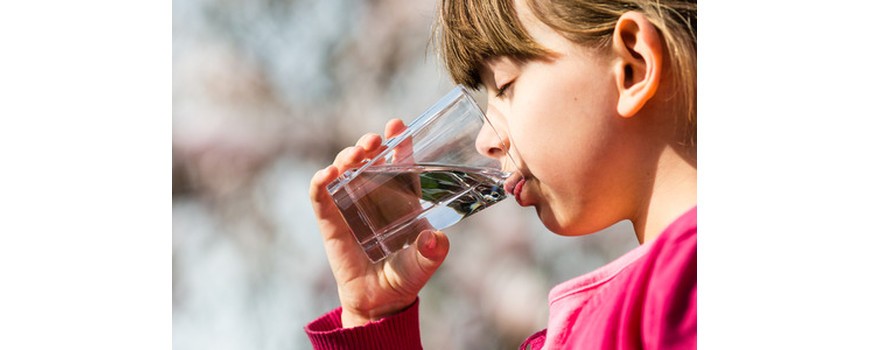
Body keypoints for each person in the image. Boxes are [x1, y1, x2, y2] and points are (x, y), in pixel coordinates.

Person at [306, 0, 696, 348]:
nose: (485, 141)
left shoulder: (683, 291)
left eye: (505, 85)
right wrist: (376, 319)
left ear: (632, 65)